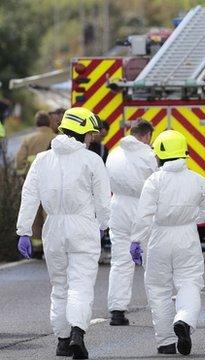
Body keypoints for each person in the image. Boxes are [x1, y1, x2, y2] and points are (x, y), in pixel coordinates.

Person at [16, 107, 111, 359]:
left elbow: (29, 196)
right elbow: (103, 200)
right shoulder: (92, 160)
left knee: (59, 287)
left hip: (53, 228)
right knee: (80, 284)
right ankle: (78, 332)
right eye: (90, 134)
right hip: (83, 227)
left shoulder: (42, 159)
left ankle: (61, 340)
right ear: (82, 132)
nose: (92, 138)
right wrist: (103, 225)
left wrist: (24, 230)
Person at [130, 130, 205, 355]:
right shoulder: (198, 181)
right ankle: (185, 320)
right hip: (187, 237)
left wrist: (136, 240)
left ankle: (166, 342)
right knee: (190, 282)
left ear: (159, 155)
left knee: (159, 289)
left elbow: (144, 215)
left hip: (159, 238)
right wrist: (192, 219)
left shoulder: (154, 181)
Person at [105, 120, 157, 326]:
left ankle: (117, 311)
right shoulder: (149, 156)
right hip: (143, 210)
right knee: (151, 261)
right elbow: (157, 183)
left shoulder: (114, 154)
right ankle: (158, 308)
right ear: (146, 136)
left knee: (120, 261)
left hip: (117, 208)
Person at [15, 111, 58, 257]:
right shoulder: (56, 138)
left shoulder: (28, 139)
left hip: (32, 181)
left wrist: (22, 175)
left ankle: (36, 248)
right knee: (50, 215)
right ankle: (50, 247)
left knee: (34, 216)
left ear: (36, 123)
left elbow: (19, 161)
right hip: (51, 182)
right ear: (49, 122)